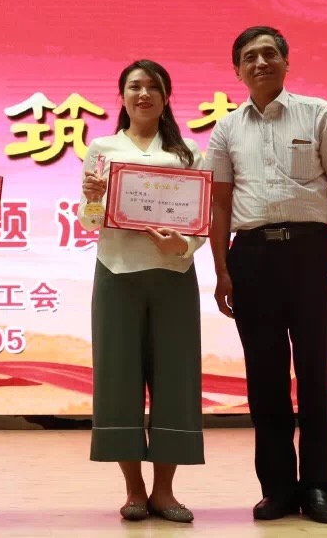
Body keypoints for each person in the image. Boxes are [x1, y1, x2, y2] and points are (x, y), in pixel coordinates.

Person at [206, 26, 327, 524]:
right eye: (249, 57)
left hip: (313, 254)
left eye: (269, 53)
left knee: (316, 376)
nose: (260, 62)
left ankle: (318, 488)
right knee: (265, 380)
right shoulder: (226, 129)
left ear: (286, 61)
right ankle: (276, 489)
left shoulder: (319, 113)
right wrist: (222, 270)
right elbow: (220, 204)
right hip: (252, 258)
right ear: (237, 70)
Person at [78, 59, 206, 524]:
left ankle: (165, 491)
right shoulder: (103, 148)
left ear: (166, 97)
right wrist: (95, 198)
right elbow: (89, 220)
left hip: (174, 274)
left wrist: (183, 244)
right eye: (134, 86)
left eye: (153, 87)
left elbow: (202, 221)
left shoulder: (187, 152)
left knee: (176, 380)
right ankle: (134, 489)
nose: (144, 94)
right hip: (117, 273)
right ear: (122, 96)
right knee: (118, 381)